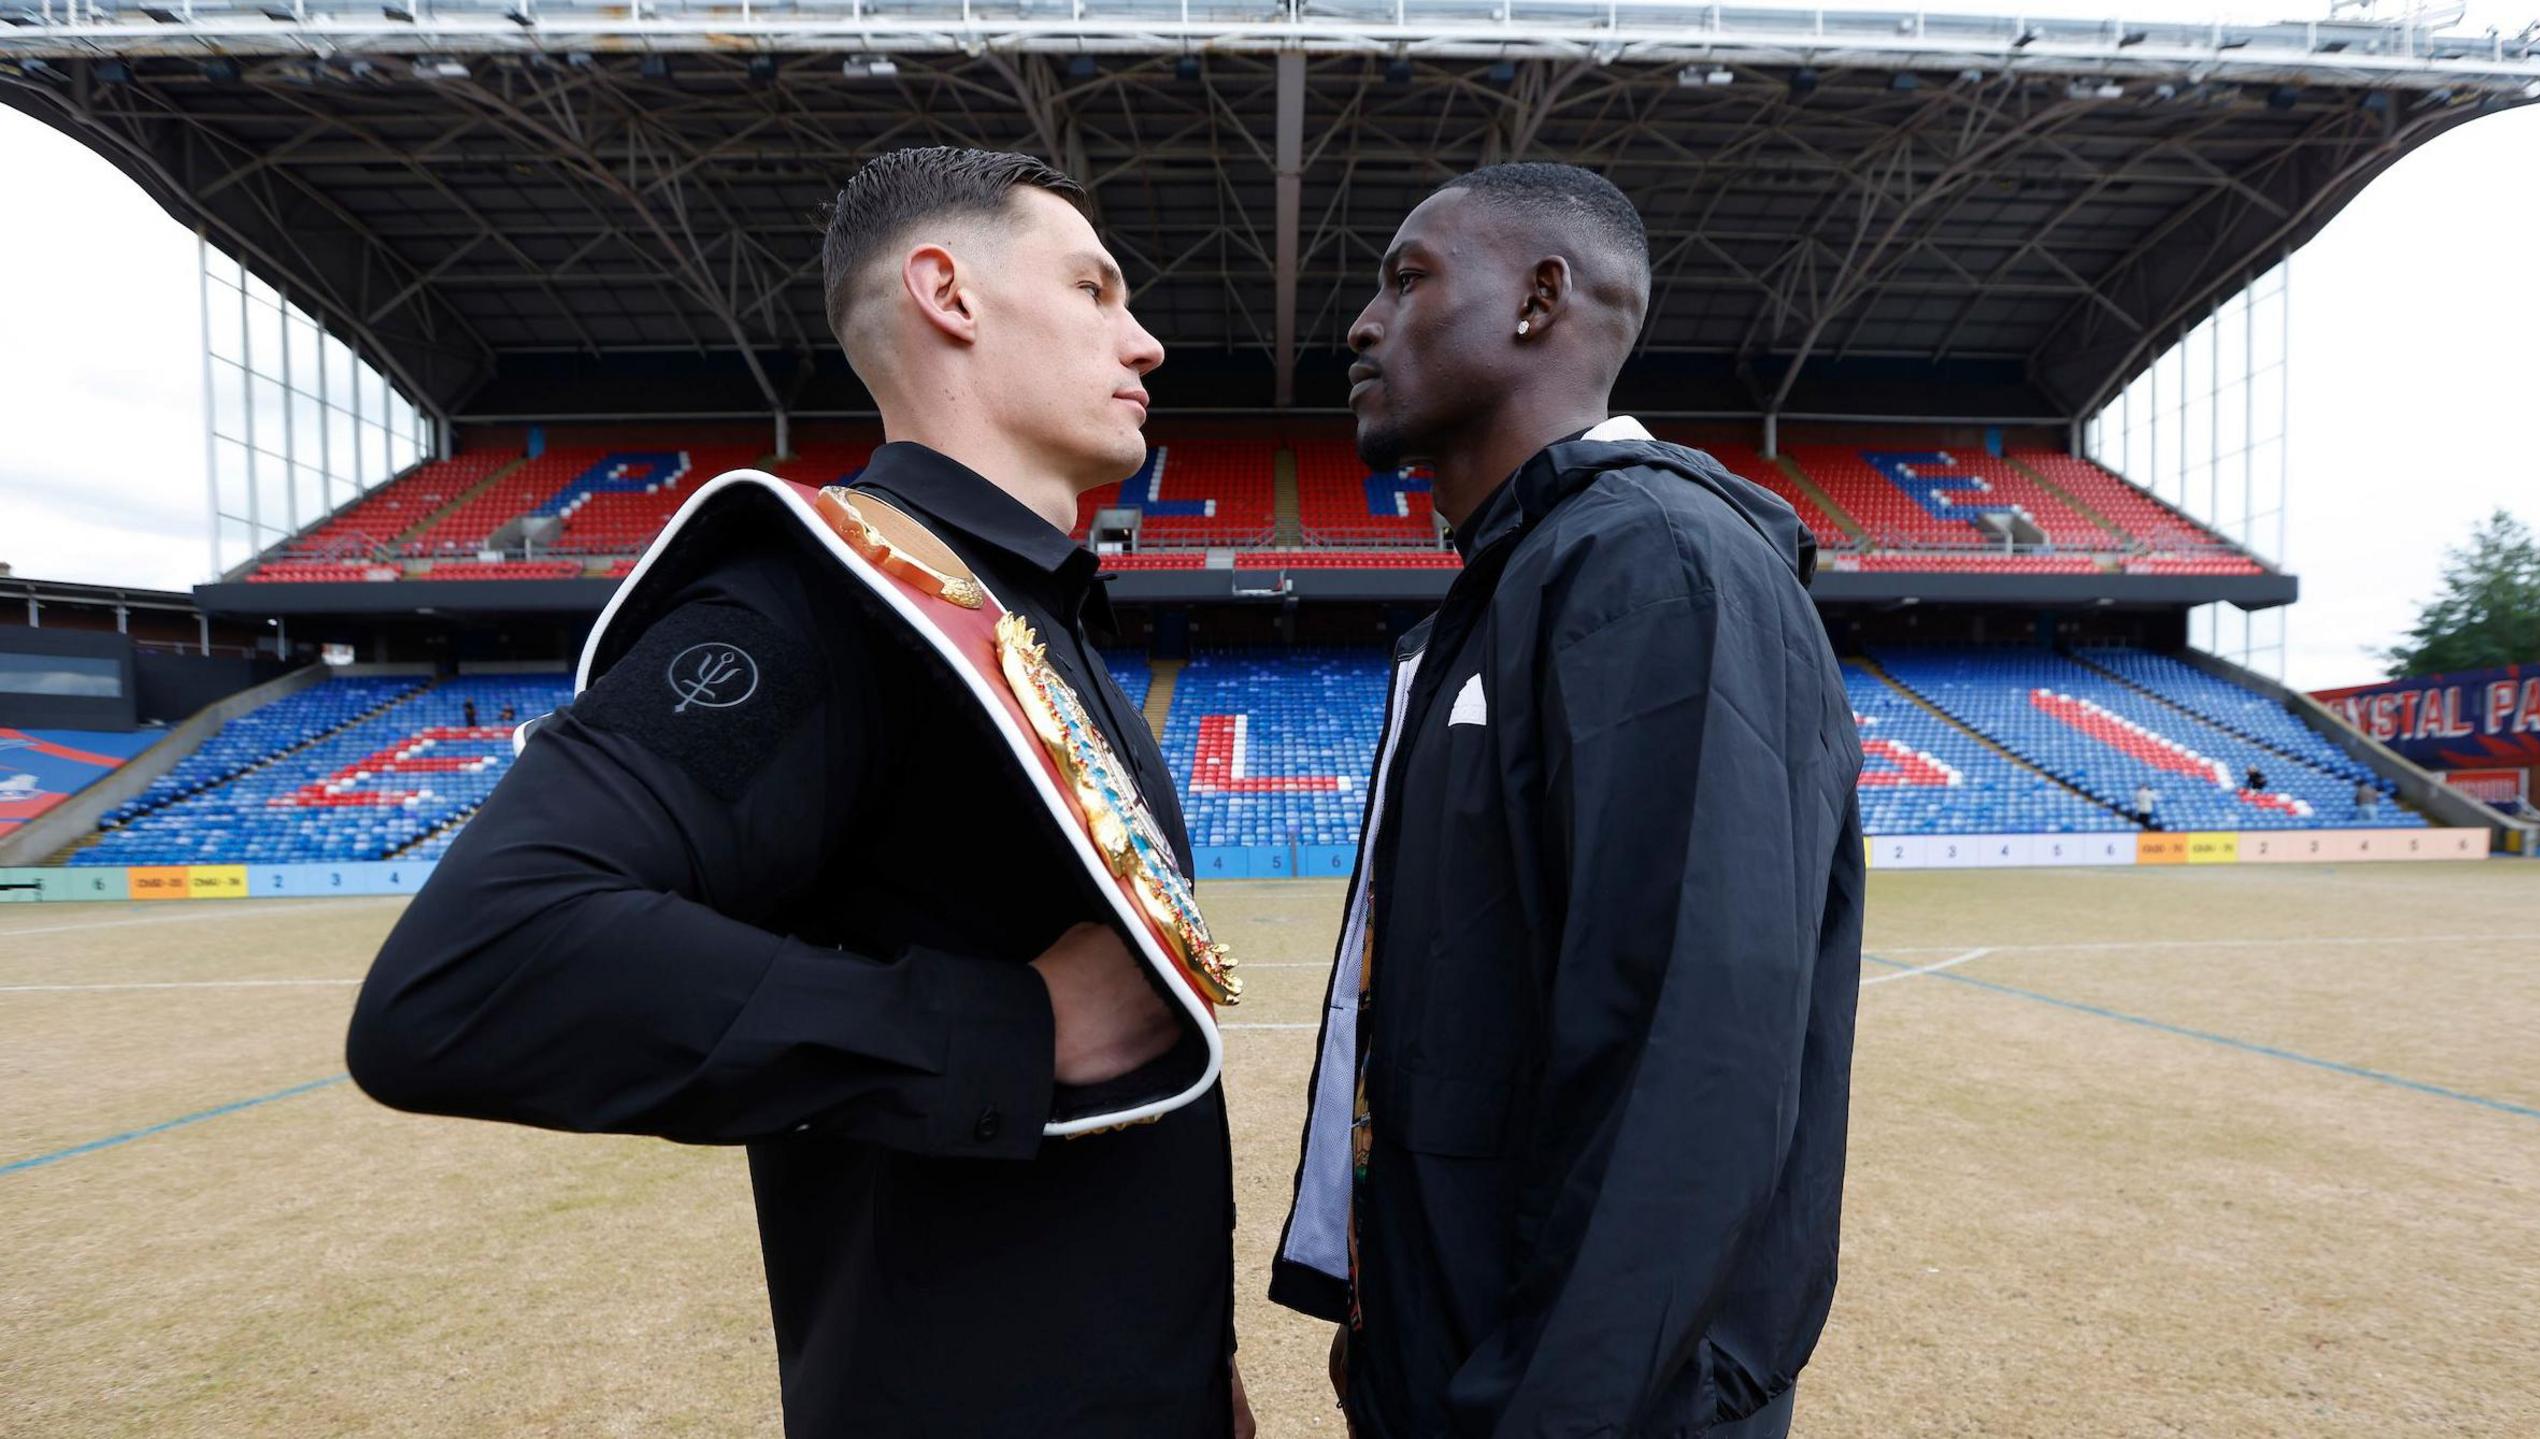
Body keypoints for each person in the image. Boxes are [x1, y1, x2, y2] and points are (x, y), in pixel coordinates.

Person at [348, 148, 1250, 1438]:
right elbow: (475, 967)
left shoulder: (1026, 619)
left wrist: (1188, 1357)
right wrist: (1006, 1028)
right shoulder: (819, 604)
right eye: (1097, 289)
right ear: (949, 293)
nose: (1147, 340)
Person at [1271, 163, 1863, 1439]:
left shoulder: (1656, 567)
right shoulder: (1516, 583)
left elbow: (1686, 1058)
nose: (1362, 323)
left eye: (1408, 277)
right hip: (1458, 1358)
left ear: (1541, 300)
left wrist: (1542, 1406)